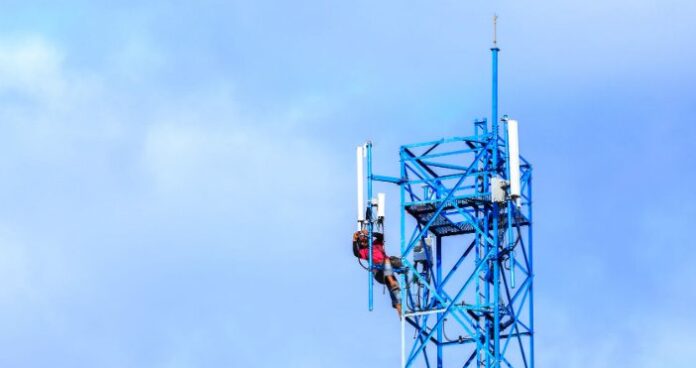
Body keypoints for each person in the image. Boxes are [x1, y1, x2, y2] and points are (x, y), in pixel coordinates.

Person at [353, 229, 402, 318]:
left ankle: (399, 308)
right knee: (388, 268)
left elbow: (381, 236)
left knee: (395, 289)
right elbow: (356, 253)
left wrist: (370, 233)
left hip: (388, 268)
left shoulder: (376, 244)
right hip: (379, 273)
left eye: (365, 240)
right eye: (362, 242)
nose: (364, 242)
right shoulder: (364, 251)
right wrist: (354, 240)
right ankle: (392, 281)